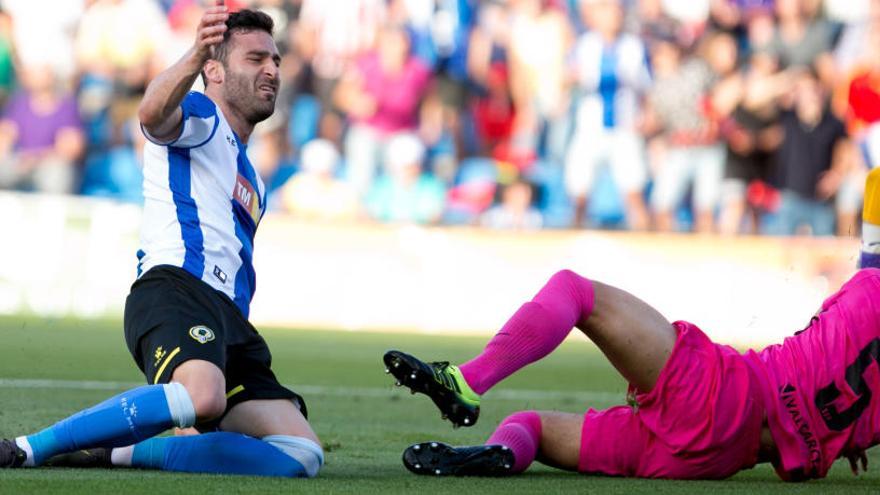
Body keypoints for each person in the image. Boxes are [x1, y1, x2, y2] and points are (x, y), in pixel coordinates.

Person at [1, 3, 323, 478]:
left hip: (229, 323)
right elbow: (151, 114)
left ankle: (118, 452)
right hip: (177, 289)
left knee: (303, 454)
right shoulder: (200, 114)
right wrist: (193, 53)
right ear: (213, 70)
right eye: (255, 59)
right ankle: (26, 448)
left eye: (275, 60)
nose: (272, 69)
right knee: (203, 395)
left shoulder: (253, 175)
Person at [384, 255, 880, 479]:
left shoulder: (867, 289)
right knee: (528, 426)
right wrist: (848, 440)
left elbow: (851, 297)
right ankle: (501, 452)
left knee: (574, 290)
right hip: (714, 460)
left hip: (722, 396)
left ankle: (466, 382)